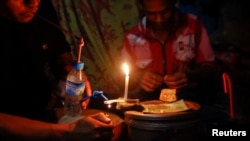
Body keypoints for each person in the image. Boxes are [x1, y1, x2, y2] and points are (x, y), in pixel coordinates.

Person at [0, 0, 114, 140]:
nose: (33, 3)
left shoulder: (42, 9)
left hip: (41, 114)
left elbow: (59, 51)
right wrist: (67, 130)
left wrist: (68, 72)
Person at [119, 0, 218, 104]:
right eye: (151, 14)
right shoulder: (132, 37)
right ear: (141, 8)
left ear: (173, 4)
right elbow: (121, 77)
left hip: (188, 101)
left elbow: (210, 67)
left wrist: (189, 76)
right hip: (148, 105)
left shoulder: (193, 27)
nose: (159, 19)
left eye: (165, 12)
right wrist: (138, 77)